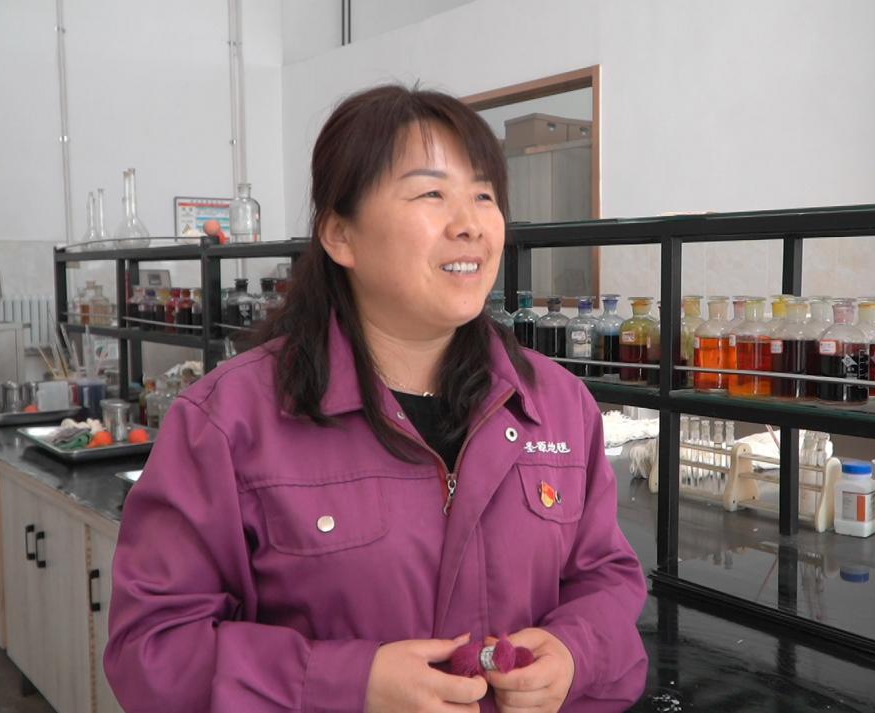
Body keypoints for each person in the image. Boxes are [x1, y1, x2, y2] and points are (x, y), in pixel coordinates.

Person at [104, 85, 648, 713]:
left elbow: (605, 581)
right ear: (341, 235)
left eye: (484, 196)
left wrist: (574, 654)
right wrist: (349, 685)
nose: (470, 223)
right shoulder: (228, 423)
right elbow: (152, 653)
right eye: (431, 194)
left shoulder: (557, 404)